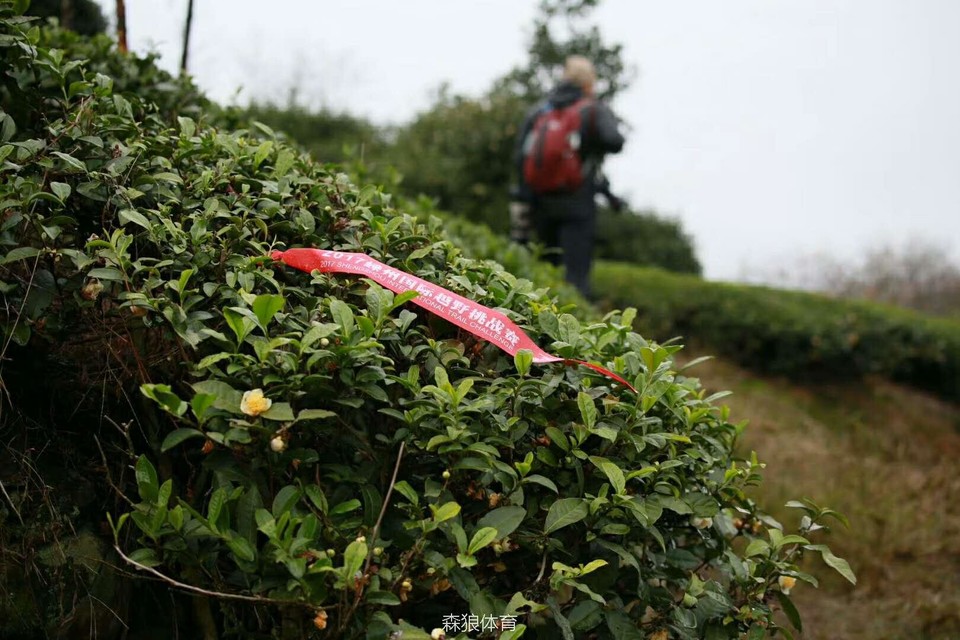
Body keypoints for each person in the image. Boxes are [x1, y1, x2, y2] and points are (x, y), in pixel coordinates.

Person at [511, 55, 625, 298]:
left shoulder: (541, 110)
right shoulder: (592, 108)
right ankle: (576, 319)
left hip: (541, 200)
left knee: (545, 270)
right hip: (577, 200)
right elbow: (615, 141)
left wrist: (525, 197)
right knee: (576, 275)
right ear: (589, 83)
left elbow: (521, 155)